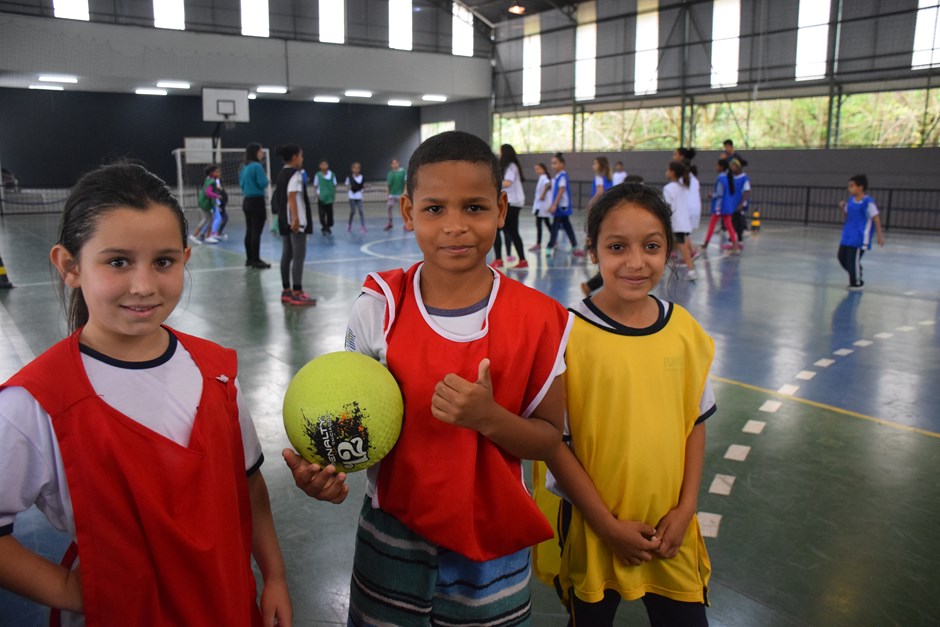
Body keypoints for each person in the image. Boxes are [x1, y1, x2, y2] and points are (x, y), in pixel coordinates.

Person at [283, 130, 572, 626]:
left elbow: (549, 440)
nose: (455, 226)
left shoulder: (541, 320)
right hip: (392, 535)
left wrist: (489, 419)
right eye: (435, 208)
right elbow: (357, 420)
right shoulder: (379, 307)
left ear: (502, 210)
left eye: (475, 208)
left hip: (493, 543)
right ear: (408, 211)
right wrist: (329, 466)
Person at [0, 163, 292, 626]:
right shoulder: (34, 403)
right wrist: (69, 589)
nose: (144, 285)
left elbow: (248, 481)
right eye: (118, 262)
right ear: (70, 266)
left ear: (185, 259)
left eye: (163, 261)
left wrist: (273, 574)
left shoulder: (215, 373)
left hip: (228, 604)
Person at [542, 182, 716, 627]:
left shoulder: (685, 331)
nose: (637, 262)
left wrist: (687, 507)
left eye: (652, 246)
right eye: (618, 246)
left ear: (668, 250)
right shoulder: (566, 336)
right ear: (593, 250)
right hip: (595, 528)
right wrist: (606, 525)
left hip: (672, 529)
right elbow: (555, 445)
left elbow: (694, 423)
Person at [580, 174, 645, 297]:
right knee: (614, 270)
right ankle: (590, 286)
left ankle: (590, 286)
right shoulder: (618, 209)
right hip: (619, 250)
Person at [272, 144, 317, 306]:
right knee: (298, 256)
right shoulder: (295, 175)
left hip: (284, 220)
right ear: (294, 157)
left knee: (287, 254)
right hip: (295, 223)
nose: (302, 158)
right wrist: (296, 220)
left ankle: (286, 291)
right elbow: (292, 197)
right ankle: (297, 292)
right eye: (301, 155)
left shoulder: (282, 173)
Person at [838, 174, 885, 290]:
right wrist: (842, 208)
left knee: (852, 260)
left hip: (860, 236)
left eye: (852, 186)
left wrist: (880, 235)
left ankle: (857, 283)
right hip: (848, 235)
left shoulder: (868, 202)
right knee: (841, 257)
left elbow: (876, 218)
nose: (850, 188)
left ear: (860, 187)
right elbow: (847, 216)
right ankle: (856, 270)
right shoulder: (850, 201)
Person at [492, 143, 528, 269]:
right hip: (513, 202)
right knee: (511, 231)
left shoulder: (511, 166)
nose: (499, 154)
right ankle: (522, 260)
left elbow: (507, 182)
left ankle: (499, 260)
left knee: (497, 229)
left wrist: (491, 183)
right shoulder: (509, 166)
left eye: (500, 152)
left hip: (512, 202)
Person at [239, 142, 272, 268]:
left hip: (247, 201)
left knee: (249, 230)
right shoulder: (257, 167)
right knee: (256, 232)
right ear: (255, 152)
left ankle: (249, 259)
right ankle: (256, 260)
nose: (262, 153)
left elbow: (241, 184)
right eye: (260, 151)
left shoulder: (244, 168)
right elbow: (262, 183)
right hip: (257, 201)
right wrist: (267, 180)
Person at [664, 161, 698, 281]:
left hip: (676, 224)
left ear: (672, 172)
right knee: (669, 248)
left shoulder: (669, 188)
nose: (666, 172)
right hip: (683, 222)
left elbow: (667, 207)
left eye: (668, 170)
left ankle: (691, 270)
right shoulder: (682, 187)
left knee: (682, 247)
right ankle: (662, 271)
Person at [547, 153, 585, 257]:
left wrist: (554, 205)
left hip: (561, 206)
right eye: (552, 163)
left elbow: (561, 190)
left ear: (562, 164)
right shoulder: (558, 176)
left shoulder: (562, 176)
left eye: (555, 163)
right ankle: (574, 246)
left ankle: (549, 247)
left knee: (555, 226)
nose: (553, 165)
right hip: (560, 206)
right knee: (567, 226)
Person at [699, 159, 741, 254]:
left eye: (717, 165)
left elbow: (719, 193)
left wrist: (712, 195)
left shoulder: (721, 178)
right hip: (727, 205)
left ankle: (706, 243)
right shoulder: (729, 177)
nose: (716, 167)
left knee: (712, 225)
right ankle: (735, 245)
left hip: (720, 206)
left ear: (721, 167)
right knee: (729, 225)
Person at [191, 164, 221, 245]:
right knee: (205, 219)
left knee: (211, 219)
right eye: (217, 172)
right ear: (212, 173)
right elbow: (208, 192)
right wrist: (216, 196)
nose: (219, 173)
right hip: (204, 204)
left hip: (206, 203)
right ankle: (194, 236)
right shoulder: (211, 181)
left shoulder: (209, 179)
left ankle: (208, 236)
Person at [674, 147, 702, 233]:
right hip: (694, 209)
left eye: (675, 154)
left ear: (681, 157)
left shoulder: (682, 178)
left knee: (682, 239)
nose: (673, 157)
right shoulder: (692, 176)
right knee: (686, 237)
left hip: (686, 210)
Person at [529, 162, 553, 251]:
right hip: (541, 205)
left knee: (539, 224)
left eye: (538, 169)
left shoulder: (544, 177)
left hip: (542, 206)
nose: (537, 171)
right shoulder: (542, 177)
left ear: (543, 169)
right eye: (536, 170)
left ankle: (538, 243)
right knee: (547, 223)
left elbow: (548, 184)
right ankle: (554, 240)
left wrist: (543, 194)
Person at [728, 159, 751, 247]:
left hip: (740, 202)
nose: (732, 168)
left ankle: (740, 239)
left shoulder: (744, 178)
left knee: (739, 221)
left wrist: (742, 203)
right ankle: (732, 238)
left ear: (738, 167)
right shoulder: (731, 177)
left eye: (734, 166)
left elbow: (747, 191)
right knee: (732, 221)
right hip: (733, 202)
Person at [314, 159, 337, 235]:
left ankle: (328, 226)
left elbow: (334, 185)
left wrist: (333, 195)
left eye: (325, 164)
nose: (324, 166)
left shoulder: (332, 175)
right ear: (320, 166)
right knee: (322, 214)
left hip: (329, 197)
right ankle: (324, 226)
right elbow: (315, 185)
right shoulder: (318, 175)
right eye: (322, 165)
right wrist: (318, 194)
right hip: (321, 198)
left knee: (330, 213)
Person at [384, 158, 406, 231]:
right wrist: (387, 194)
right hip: (392, 194)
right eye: (393, 163)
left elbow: (405, 182)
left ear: (398, 164)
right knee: (389, 208)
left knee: (403, 210)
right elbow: (388, 185)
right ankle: (390, 223)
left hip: (400, 194)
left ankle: (406, 224)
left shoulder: (403, 172)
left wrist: (404, 192)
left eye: (396, 163)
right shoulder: (390, 173)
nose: (394, 165)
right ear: (391, 165)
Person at [345, 161, 366, 233]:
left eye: (357, 168)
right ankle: (349, 224)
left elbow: (363, 187)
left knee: (361, 211)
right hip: (352, 197)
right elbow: (347, 186)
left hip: (359, 197)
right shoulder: (349, 177)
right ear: (352, 169)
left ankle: (363, 226)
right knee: (353, 211)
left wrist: (362, 189)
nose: (356, 170)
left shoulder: (362, 177)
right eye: (354, 168)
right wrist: (350, 188)